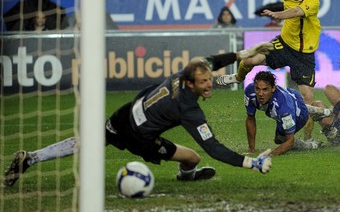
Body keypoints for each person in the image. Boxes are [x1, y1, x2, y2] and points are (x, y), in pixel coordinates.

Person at [3, 42, 274, 187]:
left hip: (125, 115)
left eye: (208, 79)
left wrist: (245, 53)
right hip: (141, 138)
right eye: (204, 82)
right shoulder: (188, 109)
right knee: (194, 156)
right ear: (191, 84)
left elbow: (211, 61)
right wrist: (251, 163)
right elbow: (214, 147)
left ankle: (32, 158)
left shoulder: (186, 73)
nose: (209, 83)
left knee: (87, 141)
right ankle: (186, 175)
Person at [216, 0, 321, 141]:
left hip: (304, 54)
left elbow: (296, 12)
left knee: (307, 99)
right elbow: (286, 5)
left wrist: (277, 15)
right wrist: (271, 10)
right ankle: (238, 77)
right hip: (284, 44)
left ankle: (308, 139)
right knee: (250, 60)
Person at [244, 71, 329, 156]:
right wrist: (252, 149)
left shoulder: (284, 109)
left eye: (265, 89)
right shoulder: (249, 91)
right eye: (257, 88)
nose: (260, 94)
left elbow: (290, 141)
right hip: (291, 96)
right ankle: (319, 110)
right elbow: (250, 118)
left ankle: (310, 145)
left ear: (273, 88)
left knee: (280, 139)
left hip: (300, 115)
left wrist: (270, 155)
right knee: (281, 135)